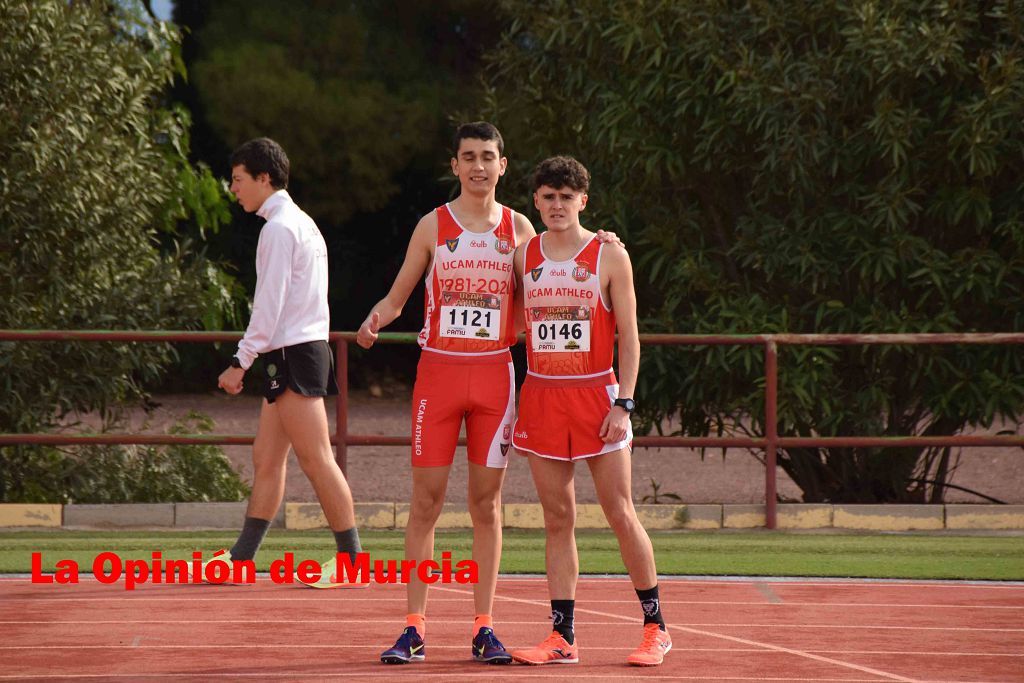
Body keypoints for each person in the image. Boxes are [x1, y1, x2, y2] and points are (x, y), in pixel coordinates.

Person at [357, 123, 620, 665]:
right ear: (454, 165)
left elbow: (565, 255)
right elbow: (399, 294)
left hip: (495, 376)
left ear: (503, 165)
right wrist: (375, 319)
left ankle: (484, 627)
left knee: (486, 505)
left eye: (488, 157)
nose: (478, 166)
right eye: (468, 157)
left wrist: (607, 242)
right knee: (425, 503)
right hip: (439, 374)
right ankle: (413, 627)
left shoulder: (520, 228)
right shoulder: (432, 224)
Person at [508, 156, 672, 667]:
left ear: (584, 200)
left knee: (620, 512)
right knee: (557, 519)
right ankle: (562, 636)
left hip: (596, 397)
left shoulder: (608, 255)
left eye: (567, 197)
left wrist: (624, 402)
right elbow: (510, 323)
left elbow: (631, 338)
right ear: (536, 200)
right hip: (541, 394)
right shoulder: (522, 255)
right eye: (548, 196)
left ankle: (656, 628)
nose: (557, 205)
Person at [205, 137, 362, 587]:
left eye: (238, 180)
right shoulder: (302, 223)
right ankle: (242, 558)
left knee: (316, 459)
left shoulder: (278, 229)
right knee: (267, 458)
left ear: (263, 178)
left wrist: (240, 360)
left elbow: (268, 307)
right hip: (296, 352)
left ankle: (351, 562)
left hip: (292, 353)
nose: (233, 188)